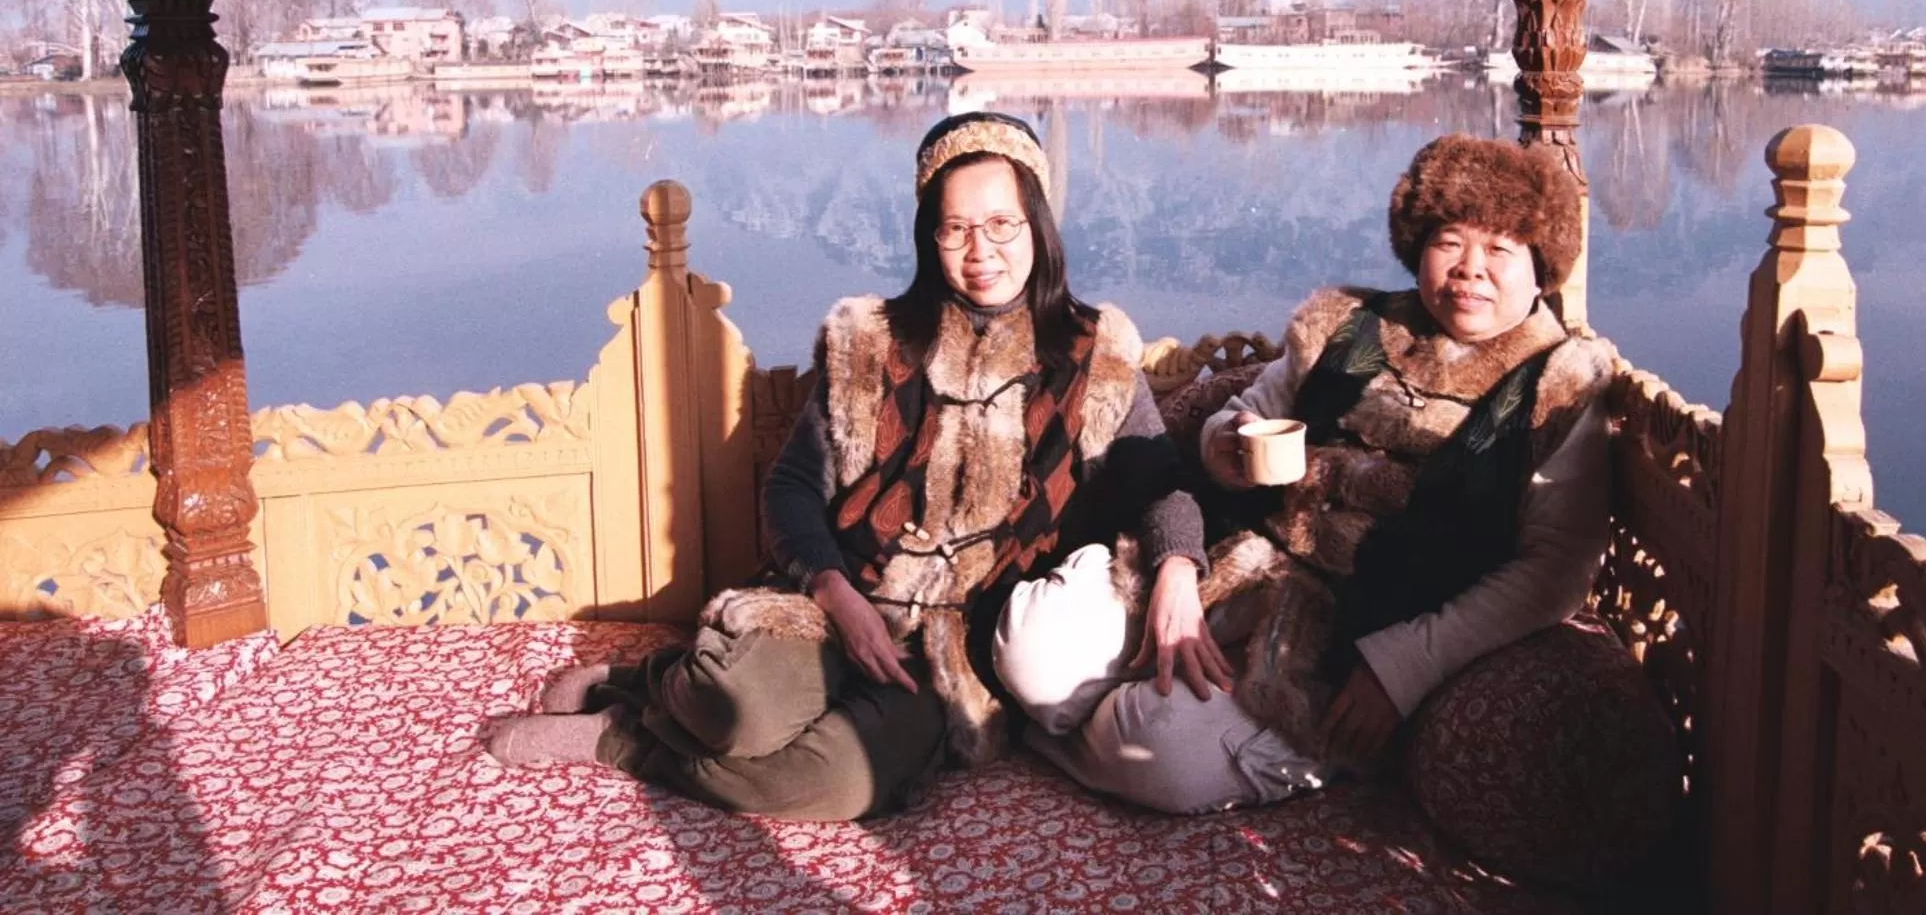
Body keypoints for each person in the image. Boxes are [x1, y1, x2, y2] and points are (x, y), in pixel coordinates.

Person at [482, 111, 1210, 820]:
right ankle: (652, 684)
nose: (979, 249)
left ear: (1037, 227)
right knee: (737, 711)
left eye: (1001, 224)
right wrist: (835, 594)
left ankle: (627, 740)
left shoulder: (1096, 354)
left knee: (833, 783)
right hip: (839, 603)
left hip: (949, 654)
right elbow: (794, 486)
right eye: (955, 228)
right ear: (930, 236)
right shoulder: (871, 342)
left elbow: (1161, 483)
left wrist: (1179, 565)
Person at [991, 133, 1615, 814]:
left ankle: (1114, 725)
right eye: (1449, 242)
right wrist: (1223, 448)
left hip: (1361, 633)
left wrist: (1407, 668)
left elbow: (1554, 570)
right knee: (1030, 646)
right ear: (1416, 246)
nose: (1470, 269)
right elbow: (1248, 407)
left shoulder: (1560, 388)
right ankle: (1100, 710)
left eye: (1499, 249)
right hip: (1240, 561)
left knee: (1155, 750)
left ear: (1541, 263)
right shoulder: (1347, 326)